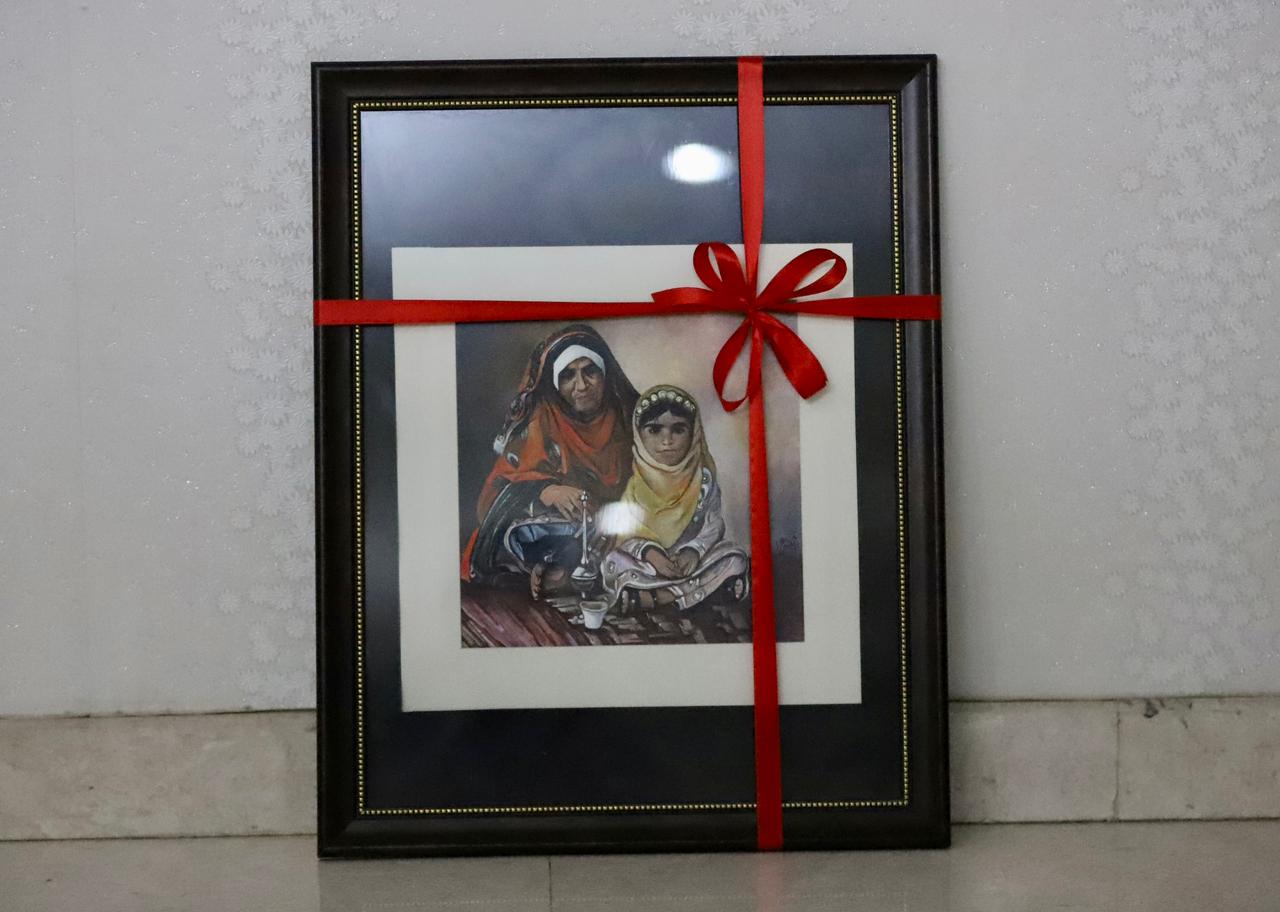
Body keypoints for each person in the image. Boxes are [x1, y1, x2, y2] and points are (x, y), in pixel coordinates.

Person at [463, 324, 638, 598]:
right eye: (568, 375)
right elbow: (493, 499)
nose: (581, 385)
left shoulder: (629, 422)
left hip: (613, 535)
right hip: (549, 531)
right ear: (555, 384)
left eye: (590, 371)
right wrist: (546, 491)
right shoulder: (540, 423)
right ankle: (549, 568)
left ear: (605, 374)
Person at [599, 384, 749, 612]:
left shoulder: (703, 481)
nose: (667, 440)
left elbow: (714, 524)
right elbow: (627, 533)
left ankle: (658, 597)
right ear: (638, 434)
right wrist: (652, 554)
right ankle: (699, 593)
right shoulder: (634, 484)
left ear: (694, 433)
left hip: (690, 562)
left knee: (735, 557)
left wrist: (694, 551)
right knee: (613, 560)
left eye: (678, 430)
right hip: (649, 564)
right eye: (654, 430)